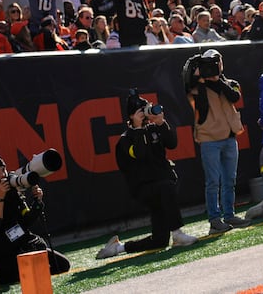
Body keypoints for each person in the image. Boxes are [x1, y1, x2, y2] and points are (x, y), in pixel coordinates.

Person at [96, 89, 197, 259]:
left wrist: (160, 122)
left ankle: (117, 248)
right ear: (131, 116)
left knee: (160, 240)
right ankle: (178, 233)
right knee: (165, 187)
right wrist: (137, 128)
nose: (144, 115)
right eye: (140, 112)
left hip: (162, 185)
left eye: (145, 110)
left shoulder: (154, 129)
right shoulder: (125, 139)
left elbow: (172, 143)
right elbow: (140, 153)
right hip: (144, 188)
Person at [186, 49, 251, 234]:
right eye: (209, 63)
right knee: (213, 181)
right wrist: (196, 71)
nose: (212, 67)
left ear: (221, 63)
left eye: (215, 62)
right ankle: (215, 219)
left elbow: (235, 97)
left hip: (230, 138)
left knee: (230, 179)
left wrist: (218, 79)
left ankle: (229, 214)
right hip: (209, 139)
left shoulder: (230, 83)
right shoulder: (198, 86)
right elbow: (187, 85)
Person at [0, 154, 70, 287]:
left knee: (62, 265)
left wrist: (37, 202)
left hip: (22, 245)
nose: (3, 175)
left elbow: (26, 221)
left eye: (4, 169)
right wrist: (0, 197)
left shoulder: (12, 191)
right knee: (19, 272)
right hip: (0, 251)